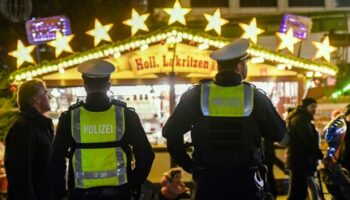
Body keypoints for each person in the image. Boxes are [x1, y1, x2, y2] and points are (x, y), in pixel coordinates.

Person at [162, 38, 286, 200]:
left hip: (208, 179)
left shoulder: (195, 95)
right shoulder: (255, 96)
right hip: (246, 181)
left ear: (219, 67)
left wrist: (190, 166)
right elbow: (278, 133)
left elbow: (171, 132)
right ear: (239, 67)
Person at [48, 59, 155, 200]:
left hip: (81, 195)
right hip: (119, 194)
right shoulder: (126, 115)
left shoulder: (70, 118)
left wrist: (60, 192)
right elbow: (147, 155)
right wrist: (133, 184)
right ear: (108, 84)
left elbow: (55, 160)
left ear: (85, 85)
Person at [5, 79, 54, 200]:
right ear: (35, 99)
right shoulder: (23, 128)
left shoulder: (35, 125)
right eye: (46, 93)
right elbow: (21, 176)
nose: (50, 96)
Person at [286, 98, 323, 200]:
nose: (314, 109)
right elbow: (308, 140)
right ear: (305, 106)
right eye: (312, 106)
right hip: (300, 160)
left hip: (299, 160)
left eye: (315, 107)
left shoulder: (301, 118)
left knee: (298, 191)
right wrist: (318, 154)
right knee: (298, 192)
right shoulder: (301, 119)